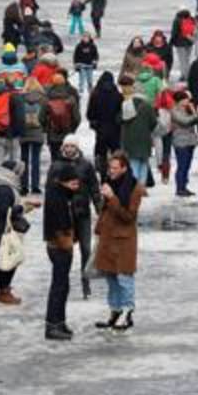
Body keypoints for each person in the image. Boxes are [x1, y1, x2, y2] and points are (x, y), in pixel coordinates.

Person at [95, 152, 148, 332]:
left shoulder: (135, 188)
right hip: (108, 237)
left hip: (124, 239)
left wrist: (112, 197)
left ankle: (127, 312)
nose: (111, 171)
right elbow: (105, 211)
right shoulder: (110, 183)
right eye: (110, 168)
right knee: (111, 277)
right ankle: (115, 311)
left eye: (115, 168)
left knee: (124, 277)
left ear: (125, 168)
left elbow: (128, 216)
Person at [53, 137, 102, 298]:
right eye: (66, 146)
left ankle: (85, 283)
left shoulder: (86, 165)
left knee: (85, 249)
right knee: (66, 251)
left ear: (77, 148)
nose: (69, 149)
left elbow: (95, 188)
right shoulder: (57, 165)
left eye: (72, 146)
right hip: (64, 216)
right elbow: (50, 188)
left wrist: (99, 209)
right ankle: (63, 283)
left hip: (83, 213)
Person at [0, 160, 37, 304]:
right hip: (5, 232)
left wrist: (25, 205)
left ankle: (5, 289)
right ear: (12, 174)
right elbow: (4, 210)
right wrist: (22, 207)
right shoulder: (4, 189)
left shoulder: (6, 186)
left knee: (11, 260)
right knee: (8, 261)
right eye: (19, 173)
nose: (21, 176)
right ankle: (3, 292)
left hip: (7, 230)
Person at [43, 162, 77, 341]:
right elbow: (60, 225)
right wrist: (68, 242)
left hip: (59, 245)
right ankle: (52, 324)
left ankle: (59, 321)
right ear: (63, 182)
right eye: (73, 183)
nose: (76, 186)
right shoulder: (57, 197)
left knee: (63, 286)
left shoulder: (61, 193)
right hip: (59, 246)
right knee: (59, 286)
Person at [119, 74, 158, 185]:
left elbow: (120, 119)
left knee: (133, 164)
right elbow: (153, 123)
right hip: (145, 139)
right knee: (144, 164)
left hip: (129, 140)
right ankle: (141, 187)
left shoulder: (126, 105)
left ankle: (133, 187)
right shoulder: (147, 106)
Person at [41, 74, 81, 162]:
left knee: (54, 158)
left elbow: (41, 117)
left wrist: (46, 128)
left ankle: (55, 174)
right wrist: (72, 129)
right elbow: (77, 118)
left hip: (53, 134)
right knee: (68, 158)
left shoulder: (47, 99)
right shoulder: (71, 99)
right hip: (67, 133)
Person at [87, 72, 123, 170]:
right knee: (115, 150)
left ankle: (102, 169)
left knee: (101, 150)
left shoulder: (95, 95)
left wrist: (94, 122)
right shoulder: (118, 95)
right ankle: (116, 169)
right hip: (115, 128)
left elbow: (90, 113)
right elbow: (121, 112)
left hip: (100, 127)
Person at [19, 78, 48, 194]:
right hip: (38, 131)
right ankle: (35, 186)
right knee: (36, 160)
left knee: (24, 160)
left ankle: (24, 186)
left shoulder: (21, 98)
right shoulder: (43, 99)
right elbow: (46, 116)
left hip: (24, 132)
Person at [170, 90, 198, 197]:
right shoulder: (174, 111)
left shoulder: (187, 109)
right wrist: (195, 114)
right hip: (180, 142)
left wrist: (195, 113)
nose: (188, 101)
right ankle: (179, 188)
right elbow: (185, 121)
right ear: (179, 101)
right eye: (185, 99)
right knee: (182, 166)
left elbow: (196, 121)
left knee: (187, 165)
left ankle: (184, 186)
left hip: (190, 141)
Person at [0, 79, 24, 165]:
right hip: (12, 134)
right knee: (14, 157)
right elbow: (20, 118)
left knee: (0, 156)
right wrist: (20, 133)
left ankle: (0, 175)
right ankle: (11, 176)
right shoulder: (15, 97)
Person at [170, 8, 197, 81]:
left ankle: (185, 76)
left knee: (182, 61)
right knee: (187, 60)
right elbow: (194, 30)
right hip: (189, 42)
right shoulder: (192, 19)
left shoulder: (177, 20)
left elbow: (174, 32)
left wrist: (171, 42)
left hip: (180, 43)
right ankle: (185, 74)